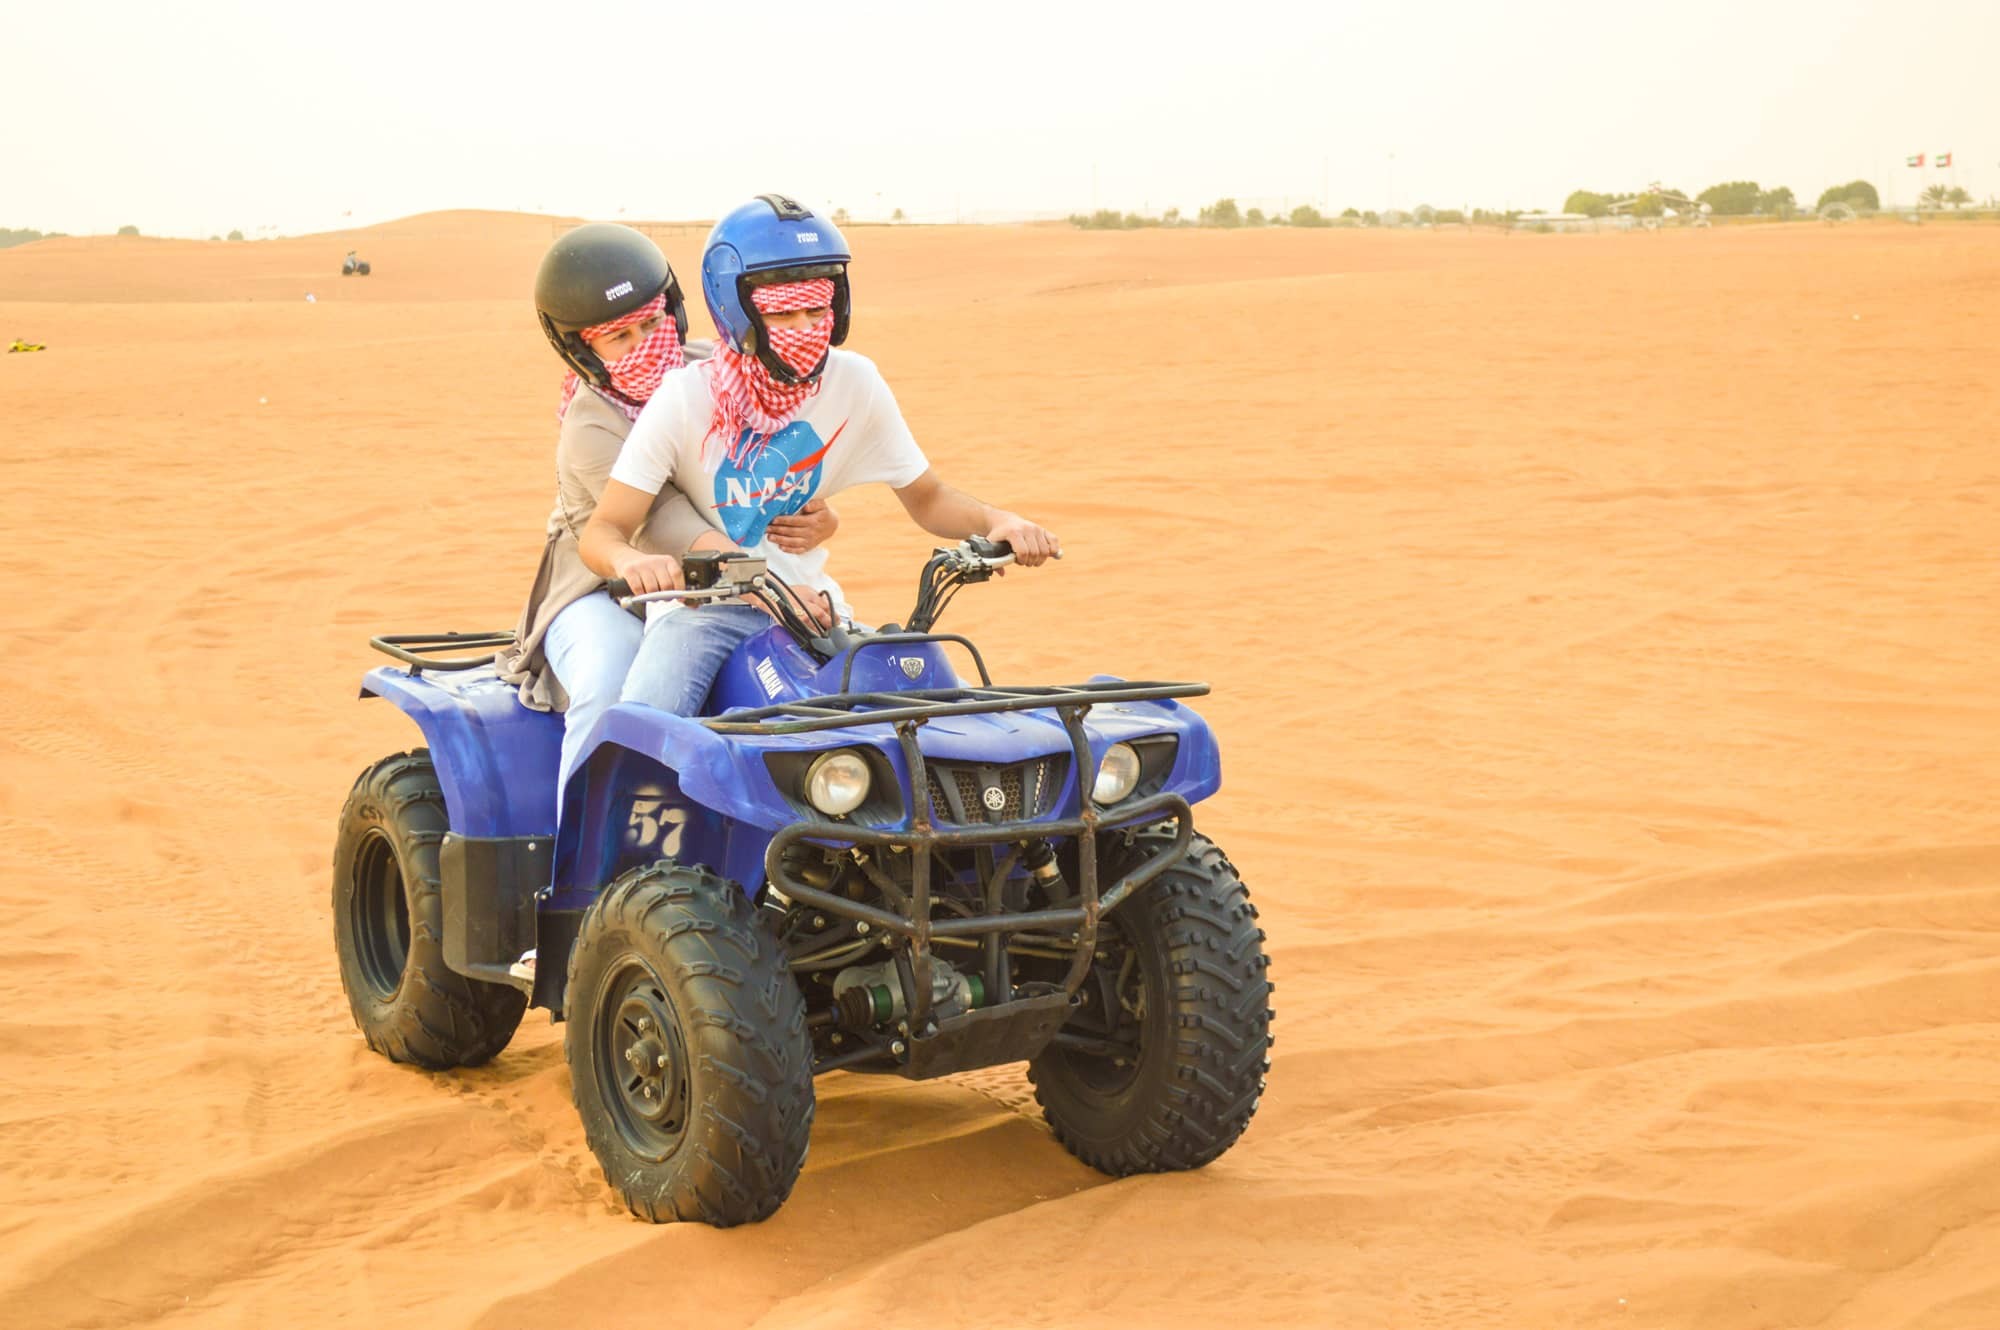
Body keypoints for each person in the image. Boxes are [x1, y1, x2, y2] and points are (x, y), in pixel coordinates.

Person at [579, 194, 1059, 717]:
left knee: (944, 712)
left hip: (816, 607)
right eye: (784, 314)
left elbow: (929, 498)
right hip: (703, 615)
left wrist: (998, 520)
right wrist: (630, 561)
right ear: (738, 314)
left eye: (817, 310)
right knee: (642, 729)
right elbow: (603, 530)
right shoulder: (685, 399)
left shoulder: (855, 383)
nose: (807, 329)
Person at [497, 221, 840, 792]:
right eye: (620, 337)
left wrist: (819, 518)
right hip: (602, 584)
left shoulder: (715, 370)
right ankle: (586, 859)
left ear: (676, 313)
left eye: (653, 323)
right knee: (612, 680)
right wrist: (769, 585)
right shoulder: (590, 423)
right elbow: (662, 523)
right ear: (583, 348)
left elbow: (781, 463)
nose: (645, 345)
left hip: (721, 574)